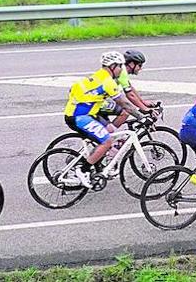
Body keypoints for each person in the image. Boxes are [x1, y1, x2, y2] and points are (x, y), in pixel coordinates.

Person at [61, 51, 143, 186]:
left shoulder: (99, 75)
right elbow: (125, 104)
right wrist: (141, 117)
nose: (122, 69)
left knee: (110, 132)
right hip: (80, 117)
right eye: (120, 66)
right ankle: (83, 169)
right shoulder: (107, 82)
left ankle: (98, 162)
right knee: (107, 141)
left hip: (84, 114)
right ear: (113, 66)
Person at [109, 50, 159, 129]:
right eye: (139, 65)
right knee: (126, 111)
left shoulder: (122, 70)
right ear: (132, 64)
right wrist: (145, 109)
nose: (140, 69)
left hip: (104, 97)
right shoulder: (122, 71)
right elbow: (130, 95)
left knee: (127, 107)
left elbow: (130, 88)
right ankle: (106, 137)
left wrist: (143, 102)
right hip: (98, 99)